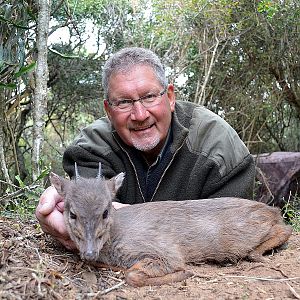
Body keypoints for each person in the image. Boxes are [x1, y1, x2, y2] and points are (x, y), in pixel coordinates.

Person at [36, 47, 255, 249]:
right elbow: (84, 205)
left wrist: (129, 217)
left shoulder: (219, 148)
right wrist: (61, 212)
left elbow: (235, 223)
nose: (139, 115)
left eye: (149, 97)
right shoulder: (91, 148)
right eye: (123, 102)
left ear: (170, 97)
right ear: (108, 111)